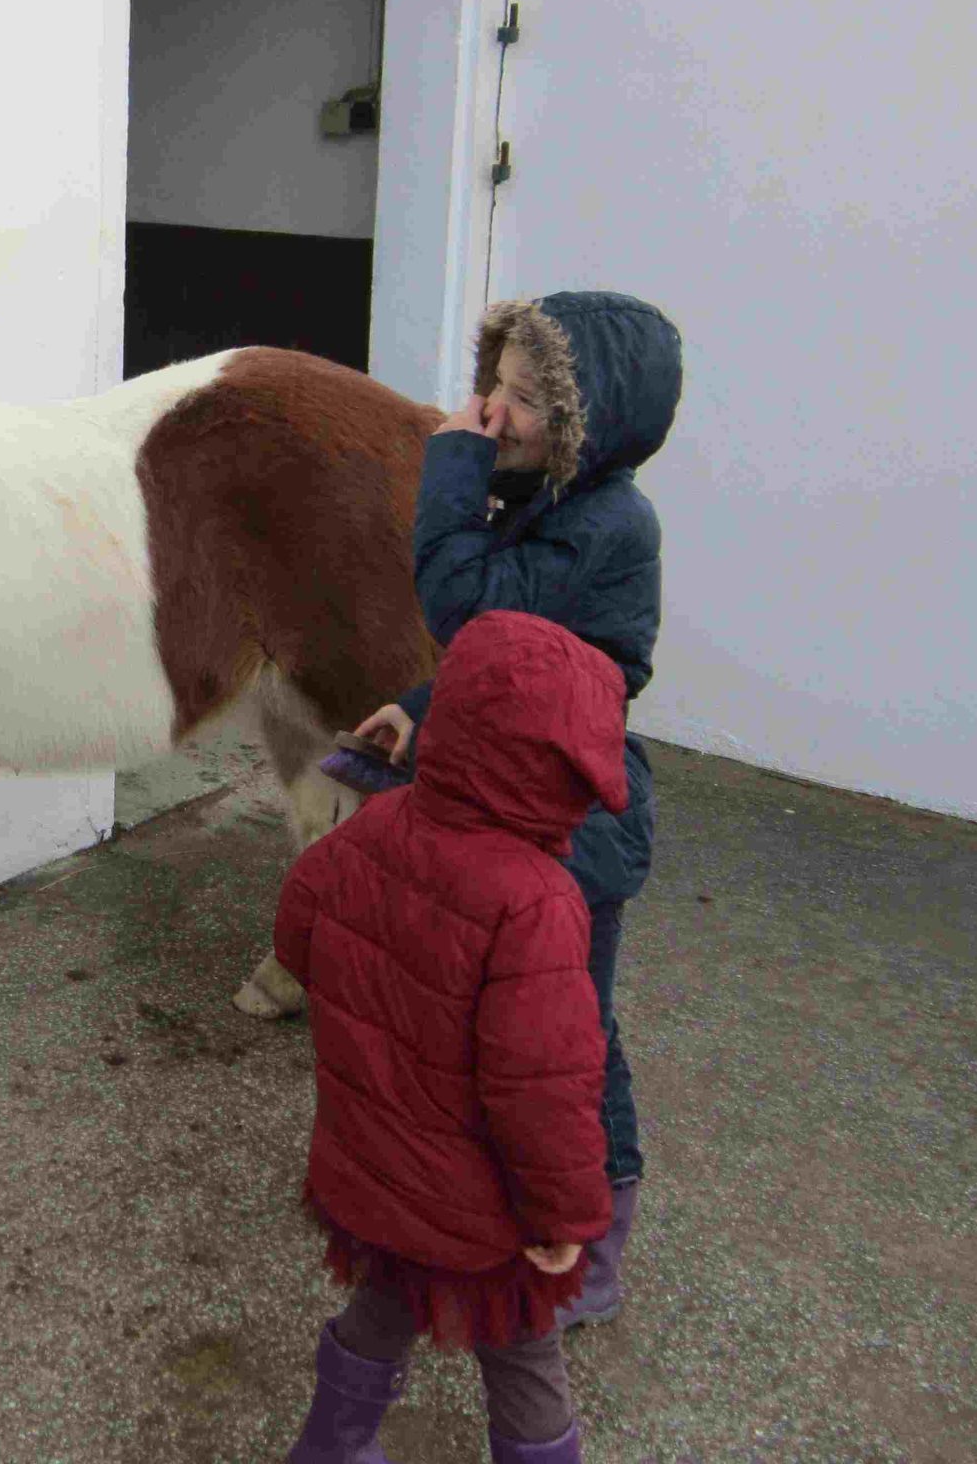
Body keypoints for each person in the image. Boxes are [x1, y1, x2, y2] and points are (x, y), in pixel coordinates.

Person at [354, 292, 682, 1328]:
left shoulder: (608, 524)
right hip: (521, 800)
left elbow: (470, 608)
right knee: (501, 1030)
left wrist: (452, 468)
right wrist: (419, 709)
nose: (493, 412)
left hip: (577, 823)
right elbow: (510, 662)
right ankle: (505, 1210)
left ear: (590, 423)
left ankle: (595, 1247)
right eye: (493, 385)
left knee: (570, 1039)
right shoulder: (550, 504)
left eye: (527, 398)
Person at [278, 611, 627, 1464]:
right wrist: (565, 1216)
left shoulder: (374, 827)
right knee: (525, 1359)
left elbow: (297, 934)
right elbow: (542, 1090)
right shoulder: (538, 901)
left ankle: (330, 1449)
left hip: (379, 1168)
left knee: (383, 1304)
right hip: (484, 1213)